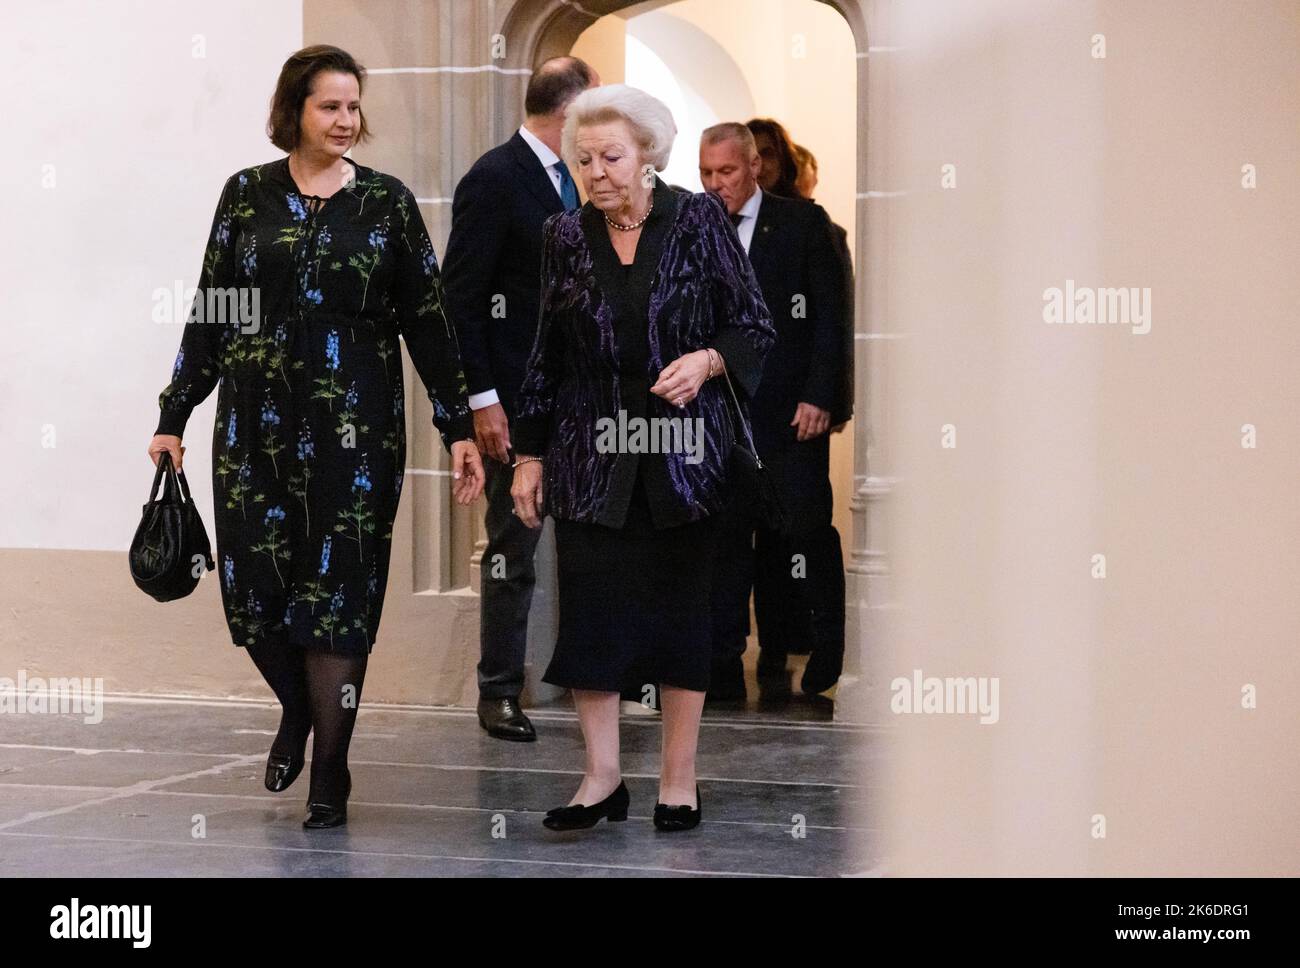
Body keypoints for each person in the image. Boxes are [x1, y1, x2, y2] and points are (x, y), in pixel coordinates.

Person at [147, 45, 484, 829]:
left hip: (355, 432)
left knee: (339, 597)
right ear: (294, 110)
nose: (345, 120)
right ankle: (298, 708)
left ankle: (330, 770)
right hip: (253, 426)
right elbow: (214, 308)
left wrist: (457, 423)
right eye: (330, 106)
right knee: (253, 590)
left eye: (353, 107)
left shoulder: (387, 204)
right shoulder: (246, 195)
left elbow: (428, 320)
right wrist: (174, 413)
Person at [509, 85, 775, 831]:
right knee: (592, 618)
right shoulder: (563, 234)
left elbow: (753, 324)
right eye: (584, 159)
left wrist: (708, 361)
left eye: (612, 157)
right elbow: (547, 352)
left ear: (647, 155)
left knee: (681, 619)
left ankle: (678, 780)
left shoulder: (697, 219)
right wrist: (529, 455)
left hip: (683, 455)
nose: (596, 172)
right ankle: (601, 779)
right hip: (590, 454)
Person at [442, 56, 599, 743]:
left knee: (594, 541)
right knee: (513, 545)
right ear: (568, 113)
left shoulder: (584, 178)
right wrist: (482, 400)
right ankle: (499, 689)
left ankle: (599, 678)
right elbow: (461, 299)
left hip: (582, 394)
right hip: (513, 399)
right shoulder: (495, 176)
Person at [699, 122, 849, 702]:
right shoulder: (695, 228)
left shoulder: (802, 224)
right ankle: (723, 659)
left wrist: (822, 396)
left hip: (791, 413)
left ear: (754, 167)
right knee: (724, 539)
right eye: (706, 173)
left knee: (805, 532)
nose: (716, 184)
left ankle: (826, 649)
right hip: (721, 415)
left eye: (727, 171)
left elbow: (831, 318)